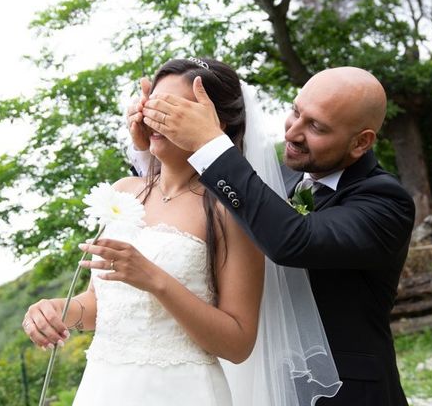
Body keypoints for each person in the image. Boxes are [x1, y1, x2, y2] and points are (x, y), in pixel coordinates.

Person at [22, 58, 340, 406]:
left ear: (215, 123)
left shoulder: (229, 211)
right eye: (154, 104)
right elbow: (100, 306)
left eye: (174, 108)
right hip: (104, 387)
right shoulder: (124, 191)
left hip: (182, 391)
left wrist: (154, 279)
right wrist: (55, 312)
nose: (157, 117)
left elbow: (238, 343)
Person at [135, 66, 416, 405]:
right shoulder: (276, 178)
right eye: (296, 111)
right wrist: (150, 146)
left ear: (361, 142)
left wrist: (210, 143)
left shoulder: (385, 202)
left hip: (343, 392)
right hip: (260, 383)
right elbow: (193, 200)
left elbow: (293, 240)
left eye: (316, 127)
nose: (293, 132)